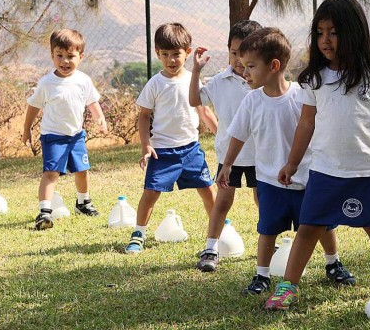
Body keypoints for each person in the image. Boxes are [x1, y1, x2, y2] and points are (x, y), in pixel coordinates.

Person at [266, 0, 370, 310]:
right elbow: (305, 125)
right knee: (309, 227)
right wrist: (292, 163)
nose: (325, 40)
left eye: (334, 32)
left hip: (369, 171)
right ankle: (287, 287)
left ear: (353, 32)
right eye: (320, 32)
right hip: (326, 171)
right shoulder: (314, 78)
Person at [216, 27, 355, 295]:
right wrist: (227, 164)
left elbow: (316, 127)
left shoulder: (300, 95)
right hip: (269, 180)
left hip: (306, 179)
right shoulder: (251, 101)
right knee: (267, 229)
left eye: (251, 67)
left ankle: (333, 263)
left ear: (274, 65)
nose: (245, 73)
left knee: (320, 225)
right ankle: (262, 276)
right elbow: (237, 135)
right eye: (244, 66)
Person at [125, 22, 217, 253]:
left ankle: (218, 232)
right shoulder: (155, 83)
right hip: (162, 151)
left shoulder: (192, 80)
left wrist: (222, 135)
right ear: (157, 53)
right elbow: (144, 116)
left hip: (191, 149)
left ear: (187, 53)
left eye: (176, 54)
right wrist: (146, 145)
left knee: (208, 190)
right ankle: (138, 234)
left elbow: (204, 110)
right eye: (164, 54)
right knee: (150, 193)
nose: (171, 59)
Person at [190, 20, 263, 272]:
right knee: (222, 201)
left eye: (245, 54)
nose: (239, 60)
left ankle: (270, 245)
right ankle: (211, 248)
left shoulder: (263, 83)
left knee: (262, 201)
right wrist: (196, 71)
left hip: (260, 155)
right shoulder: (220, 81)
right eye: (234, 53)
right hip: (228, 156)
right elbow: (194, 100)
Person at [22, 29, 107, 231]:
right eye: (59, 56)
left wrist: (100, 117)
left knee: (82, 170)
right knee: (51, 173)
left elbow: (92, 101)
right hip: (53, 138)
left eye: (70, 56)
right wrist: (26, 129)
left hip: (76, 136)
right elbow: (33, 107)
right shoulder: (46, 83)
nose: (65, 61)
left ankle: (83, 203)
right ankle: (44, 212)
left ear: (81, 57)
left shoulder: (83, 80)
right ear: (52, 55)